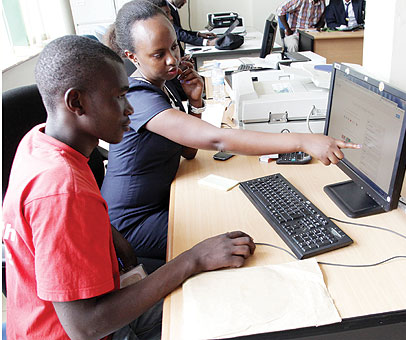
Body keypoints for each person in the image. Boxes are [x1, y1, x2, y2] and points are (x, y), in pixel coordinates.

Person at [1, 34, 256, 340]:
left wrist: (115, 239)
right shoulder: (60, 189)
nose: (130, 109)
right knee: (231, 314)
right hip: (85, 329)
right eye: (119, 97)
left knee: (217, 291)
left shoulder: (39, 141)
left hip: (91, 301)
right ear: (76, 102)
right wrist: (193, 259)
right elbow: (85, 327)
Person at [101, 0, 360, 261]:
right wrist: (303, 141)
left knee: (235, 218)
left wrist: (195, 102)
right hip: (133, 226)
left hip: (162, 204)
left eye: (174, 47)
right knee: (243, 237)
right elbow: (216, 139)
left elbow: (189, 152)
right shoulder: (138, 96)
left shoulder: (162, 84)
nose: (173, 60)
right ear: (132, 57)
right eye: (159, 55)